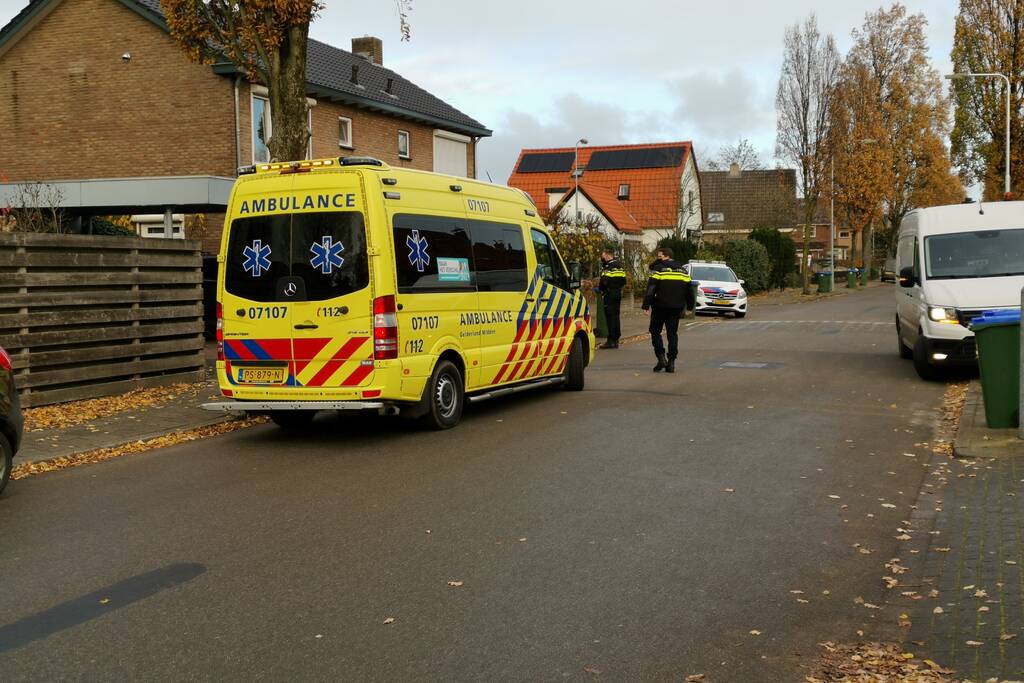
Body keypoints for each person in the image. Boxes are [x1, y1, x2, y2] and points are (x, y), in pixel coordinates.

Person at [642, 247, 691, 373]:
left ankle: (661, 358)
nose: (658, 259)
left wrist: (646, 305)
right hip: (676, 307)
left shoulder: (659, 269)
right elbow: (689, 290)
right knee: (672, 334)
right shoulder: (683, 271)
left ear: (666, 256)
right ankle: (671, 362)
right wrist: (690, 306)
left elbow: (651, 288)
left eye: (659, 257)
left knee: (655, 331)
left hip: (660, 306)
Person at [597, 249, 626, 349]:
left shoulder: (608, 267)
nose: (602, 258)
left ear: (607, 255)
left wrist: (601, 289)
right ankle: (616, 339)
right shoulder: (620, 266)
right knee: (616, 316)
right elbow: (623, 281)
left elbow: (604, 281)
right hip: (617, 293)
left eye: (603, 255)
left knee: (610, 317)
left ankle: (611, 341)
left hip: (609, 294)